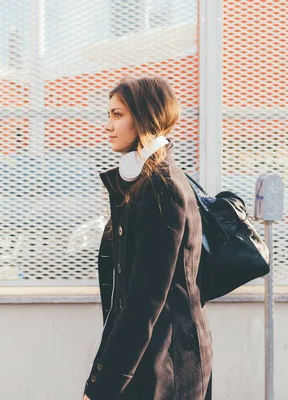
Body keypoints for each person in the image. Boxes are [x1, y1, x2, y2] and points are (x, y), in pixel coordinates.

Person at [82, 75, 213, 400]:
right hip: (157, 356)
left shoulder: (160, 188)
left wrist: (101, 388)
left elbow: (144, 300)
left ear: (143, 117)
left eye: (117, 114)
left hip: (165, 365)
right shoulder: (146, 183)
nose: (107, 126)